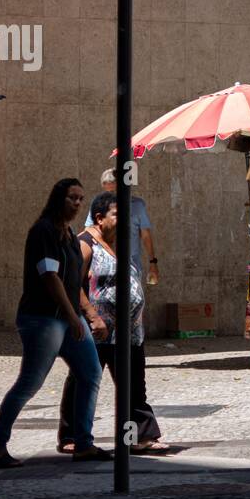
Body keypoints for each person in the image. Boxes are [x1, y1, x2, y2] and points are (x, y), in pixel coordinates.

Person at [0, 179, 111, 468]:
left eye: (81, 199)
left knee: (91, 372)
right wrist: (73, 316)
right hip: (43, 318)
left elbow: (72, 281)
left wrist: (84, 314)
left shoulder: (69, 234)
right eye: (72, 198)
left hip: (68, 319)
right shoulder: (43, 231)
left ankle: (83, 443)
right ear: (58, 198)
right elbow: (49, 276)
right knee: (30, 382)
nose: (77, 203)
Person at [57, 191, 168, 455]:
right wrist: (93, 317)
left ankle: (140, 436)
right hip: (98, 331)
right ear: (99, 218)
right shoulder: (85, 243)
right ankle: (71, 435)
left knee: (133, 383)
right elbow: (71, 283)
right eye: (117, 215)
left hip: (128, 331)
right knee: (83, 380)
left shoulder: (116, 242)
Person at [90, 168, 159, 285]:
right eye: (107, 193)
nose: (110, 197)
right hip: (105, 267)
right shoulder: (99, 205)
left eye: (113, 192)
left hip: (131, 267)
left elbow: (146, 235)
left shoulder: (137, 206)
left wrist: (153, 262)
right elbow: (91, 232)